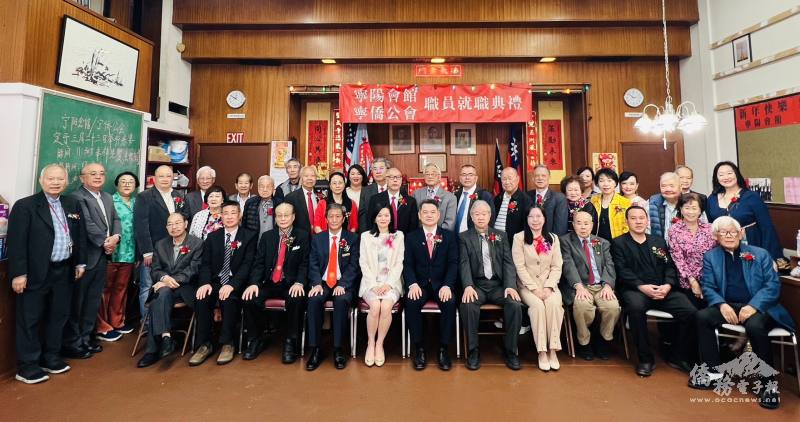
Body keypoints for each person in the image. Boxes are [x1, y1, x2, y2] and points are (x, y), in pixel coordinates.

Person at [690, 216, 797, 410]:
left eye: (733, 231)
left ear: (741, 233)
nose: (729, 235)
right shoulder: (711, 257)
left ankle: (768, 385)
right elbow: (708, 286)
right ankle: (713, 373)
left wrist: (753, 306)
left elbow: (772, 286)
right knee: (702, 317)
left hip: (759, 307)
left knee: (755, 326)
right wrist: (721, 304)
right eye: (723, 232)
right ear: (716, 236)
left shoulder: (760, 254)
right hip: (729, 306)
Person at [8, 164, 86, 384]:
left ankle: (51, 357)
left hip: (64, 270)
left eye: (60, 179)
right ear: (41, 181)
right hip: (34, 273)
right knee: (30, 319)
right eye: (50, 178)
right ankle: (28, 366)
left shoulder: (72, 203)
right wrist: (18, 274)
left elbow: (79, 235)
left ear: (66, 182)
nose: (55, 182)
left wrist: (80, 263)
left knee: (58, 316)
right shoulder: (26, 206)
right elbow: (16, 243)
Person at [612, 206, 697, 376]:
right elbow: (622, 271)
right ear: (627, 222)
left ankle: (678, 355)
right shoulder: (619, 243)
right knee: (636, 309)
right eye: (634, 218)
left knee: (691, 312)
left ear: (647, 220)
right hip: (635, 289)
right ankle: (645, 359)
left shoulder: (658, 241)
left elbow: (670, 266)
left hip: (662, 288)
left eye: (641, 218)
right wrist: (641, 286)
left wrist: (668, 285)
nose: (638, 221)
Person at [190, 200, 257, 366]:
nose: (229, 217)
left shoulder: (249, 236)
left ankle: (228, 343)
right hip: (215, 281)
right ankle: (204, 344)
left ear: (240, 215)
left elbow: (247, 265)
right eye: (225, 213)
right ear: (220, 216)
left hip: (237, 282)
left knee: (229, 298)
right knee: (202, 298)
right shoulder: (213, 237)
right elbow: (205, 264)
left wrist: (232, 284)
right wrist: (205, 283)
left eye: (233, 213)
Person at [242, 203, 309, 363]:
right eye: (279, 215)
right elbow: (258, 263)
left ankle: (290, 342)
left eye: (286, 215)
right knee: (249, 298)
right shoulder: (267, 237)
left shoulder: (303, 236)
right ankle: (256, 339)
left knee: (296, 299)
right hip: (269, 282)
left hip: (290, 283)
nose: (283, 218)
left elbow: (305, 263)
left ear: (293, 217)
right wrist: (254, 283)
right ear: (275, 218)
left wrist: (299, 282)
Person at [460, 201, 522, 370]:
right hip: (477, 285)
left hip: (497, 285)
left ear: (489, 216)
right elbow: (464, 263)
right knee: (468, 304)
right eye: (477, 214)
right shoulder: (464, 237)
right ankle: (473, 351)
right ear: (472, 217)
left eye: (484, 213)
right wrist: (467, 285)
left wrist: (510, 285)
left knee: (515, 304)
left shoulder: (501, 235)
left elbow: (508, 263)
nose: (480, 217)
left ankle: (511, 351)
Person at [65, 163, 121, 354]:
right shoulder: (76, 197)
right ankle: (75, 342)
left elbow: (116, 220)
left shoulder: (106, 196)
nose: (98, 177)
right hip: (86, 257)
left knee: (93, 300)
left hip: (102, 257)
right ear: (82, 178)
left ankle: (87, 337)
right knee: (78, 302)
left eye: (101, 174)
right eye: (93, 174)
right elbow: (87, 224)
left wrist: (116, 237)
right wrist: (105, 241)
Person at [136, 212, 203, 368]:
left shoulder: (197, 243)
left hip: (184, 288)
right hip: (163, 288)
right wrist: (164, 279)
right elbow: (155, 270)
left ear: (186, 224)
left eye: (178, 223)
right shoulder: (160, 244)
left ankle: (152, 350)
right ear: (166, 227)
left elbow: (194, 270)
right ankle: (166, 337)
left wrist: (171, 281)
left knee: (159, 297)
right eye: (170, 224)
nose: (174, 227)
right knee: (162, 294)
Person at [403, 199, 459, 371]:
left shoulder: (449, 236)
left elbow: (453, 263)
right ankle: (419, 348)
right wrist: (411, 284)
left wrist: (448, 285)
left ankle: (443, 349)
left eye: (432, 212)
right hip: (419, 285)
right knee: (411, 303)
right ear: (419, 215)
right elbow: (407, 264)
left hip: (442, 284)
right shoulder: (411, 237)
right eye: (425, 212)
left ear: (439, 215)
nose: (429, 215)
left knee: (449, 304)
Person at [306, 204, 360, 371]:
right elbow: (313, 263)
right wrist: (315, 283)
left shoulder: (352, 238)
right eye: (331, 216)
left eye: (338, 216)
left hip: (342, 282)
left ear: (344, 219)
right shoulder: (317, 238)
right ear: (326, 219)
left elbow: (354, 265)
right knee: (314, 300)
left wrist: (343, 284)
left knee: (342, 301)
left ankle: (338, 349)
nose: (335, 219)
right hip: (322, 282)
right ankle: (315, 349)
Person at [560, 210, 619, 361]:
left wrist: (607, 285)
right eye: (578, 223)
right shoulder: (565, 241)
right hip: (580, 286)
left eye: (586, 223)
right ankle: (584, 342)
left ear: (592, 225)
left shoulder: (602, 242)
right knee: (582, 307)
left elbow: (609, 265)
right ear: (573, 225)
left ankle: (603, 340)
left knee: (612, 307)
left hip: (601, 285)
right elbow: (568, 265)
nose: (583, 227)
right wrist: (578, 286)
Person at [512, 206, 564, 371]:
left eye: (538, 216)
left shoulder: (552, 238)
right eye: (531, 216)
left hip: (549, 285)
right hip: (528, 286)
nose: (535, 220)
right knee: (538, 307)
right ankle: (541, 351)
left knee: (554, 305)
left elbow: (557, 266)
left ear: (544, 218)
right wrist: (535, 289)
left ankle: (553, 350)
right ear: (526, 219)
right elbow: (519, 267)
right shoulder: (519, 238)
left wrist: (548, 287)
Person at [134, 165, 187, 321]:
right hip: (153, 250)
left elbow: (184, 219)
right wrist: (147, 251)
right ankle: (147, 322)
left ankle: (165, 323)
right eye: (161, 176)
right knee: (147, 286)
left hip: (175, 249)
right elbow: (141, 226)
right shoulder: (145, 196)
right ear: (154, 179)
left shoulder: (179, 195)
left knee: (167, 286)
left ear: (173, 178)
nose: (165, 179)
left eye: (168, 176)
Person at [706, 161, 785, 266]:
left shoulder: (752, 197)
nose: (726, 177)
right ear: (716, 178)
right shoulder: (712, 199)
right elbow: (710, 226)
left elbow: (767, 227)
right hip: (722, 249)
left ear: (737, 174)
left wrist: (770, 257)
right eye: (721, 174)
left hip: (750, 244)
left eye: (730, 173)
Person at [359, 206, 405, 367]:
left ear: (391, 218)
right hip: (370, 283)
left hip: (391, 283)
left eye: (386, 215)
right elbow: (363, 263)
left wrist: (388, 284)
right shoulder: (366, 236)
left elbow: (399, 263)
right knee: (375, 305)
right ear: (374, 218)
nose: (383, 218)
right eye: (380, 215)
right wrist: (373, 285)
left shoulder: (398, 236)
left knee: (386, 305)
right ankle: (370, 343)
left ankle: (380, 344)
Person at [96, 172, 138, 338]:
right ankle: (102, 326)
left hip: (129, 253)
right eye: (123, 182)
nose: (127, 184)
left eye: (131, 182)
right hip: (111, 252)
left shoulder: (137, 202)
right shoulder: (109, 201)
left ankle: (117, 322)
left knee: (121, 289)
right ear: (116, 184)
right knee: (104, 290)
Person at [667, 193, 716, 309]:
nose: (691, 212)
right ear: (681, 209)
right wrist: (693, 282)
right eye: (687, 208)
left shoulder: (710, 228)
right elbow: (678, 258)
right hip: (686, 282)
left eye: (694, 208)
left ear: (700, 211)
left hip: (709, 280)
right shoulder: (674, 230)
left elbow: (717, 254)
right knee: (692, 314)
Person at [367, 167, 418, 233]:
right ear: (386, 180)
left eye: (398, 177)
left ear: (401, 180)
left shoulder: (410, 201)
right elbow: (370, 222)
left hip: (403, 240)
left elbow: (413, 226)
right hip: (380, 239)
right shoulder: (375, 199)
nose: (395, 180)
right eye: (391, 177)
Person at [493, 167, 533, 244]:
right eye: (504, 179)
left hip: (514, 243)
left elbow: (527, 227)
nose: (507, 182)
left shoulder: (525, 200)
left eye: (510, 178)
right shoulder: (497, 198)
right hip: (495, 242)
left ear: (517, 179)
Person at [412, 163, 456, 230]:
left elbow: (450, 223)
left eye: (433, 174)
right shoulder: (416, 194)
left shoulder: (450, 197)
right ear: (424, 177)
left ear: (439, 177)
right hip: (419, 235)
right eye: (427, 174)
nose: (430, 176)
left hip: (441, 236)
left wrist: (434, 234)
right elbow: (413, 219)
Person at [590, 168, 631, 241]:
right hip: (597, 242)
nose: (606, 184)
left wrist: (621, 242)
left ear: (615, 183)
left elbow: (628, 226)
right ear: (597, 184)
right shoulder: (593, 200)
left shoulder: (625, 202)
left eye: (609, 180)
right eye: (601, 181)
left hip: (618, 243)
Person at [527, 164, 568, 235]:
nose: (540, 178)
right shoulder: (526, 196)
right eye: (537, 176)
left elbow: (560, 228)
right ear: (533, 178)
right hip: (529, 241)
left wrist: (550, 244)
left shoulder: (559, 198)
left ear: (549, 178)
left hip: (550, 242)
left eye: (543, 176)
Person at [453, 164, 494, 234]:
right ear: (460, 178)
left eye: (471, 174)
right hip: (455, 238)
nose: (467, 177)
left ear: (476, 178)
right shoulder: (455, 195)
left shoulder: (484, 195)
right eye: (464, 174)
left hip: (475, 239)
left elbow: (491, 219)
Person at [283, 165, 319, 235]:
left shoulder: (321, 197)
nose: (310, 178)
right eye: (306, 176)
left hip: (318, 238)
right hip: (299, 238)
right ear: (301, 178)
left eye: (313, 176)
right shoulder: (291, 198)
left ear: (316, 178)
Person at [358, 157, 391, 233]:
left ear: (388, 170)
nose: (378, 171)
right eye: (375, 169)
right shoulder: (365, 190)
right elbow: (362, 215)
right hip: (371, 234)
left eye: (381, 168)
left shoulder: (396, 188)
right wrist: (365, 235)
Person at [648, 172, 683, 242]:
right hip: (659, 247)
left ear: (680, 187)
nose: (668, 189)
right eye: (663, 186)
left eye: (672, 186)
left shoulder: (689, 203)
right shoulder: (652, 203)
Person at [242, 175, 277, 240]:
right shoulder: (250, 203)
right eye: (262, 186)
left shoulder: (279, 203)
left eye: (268, 187)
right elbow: (244, 225)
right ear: (258, 187)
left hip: (273, 242)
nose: (265, 189)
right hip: (253, 242)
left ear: (273, 188)